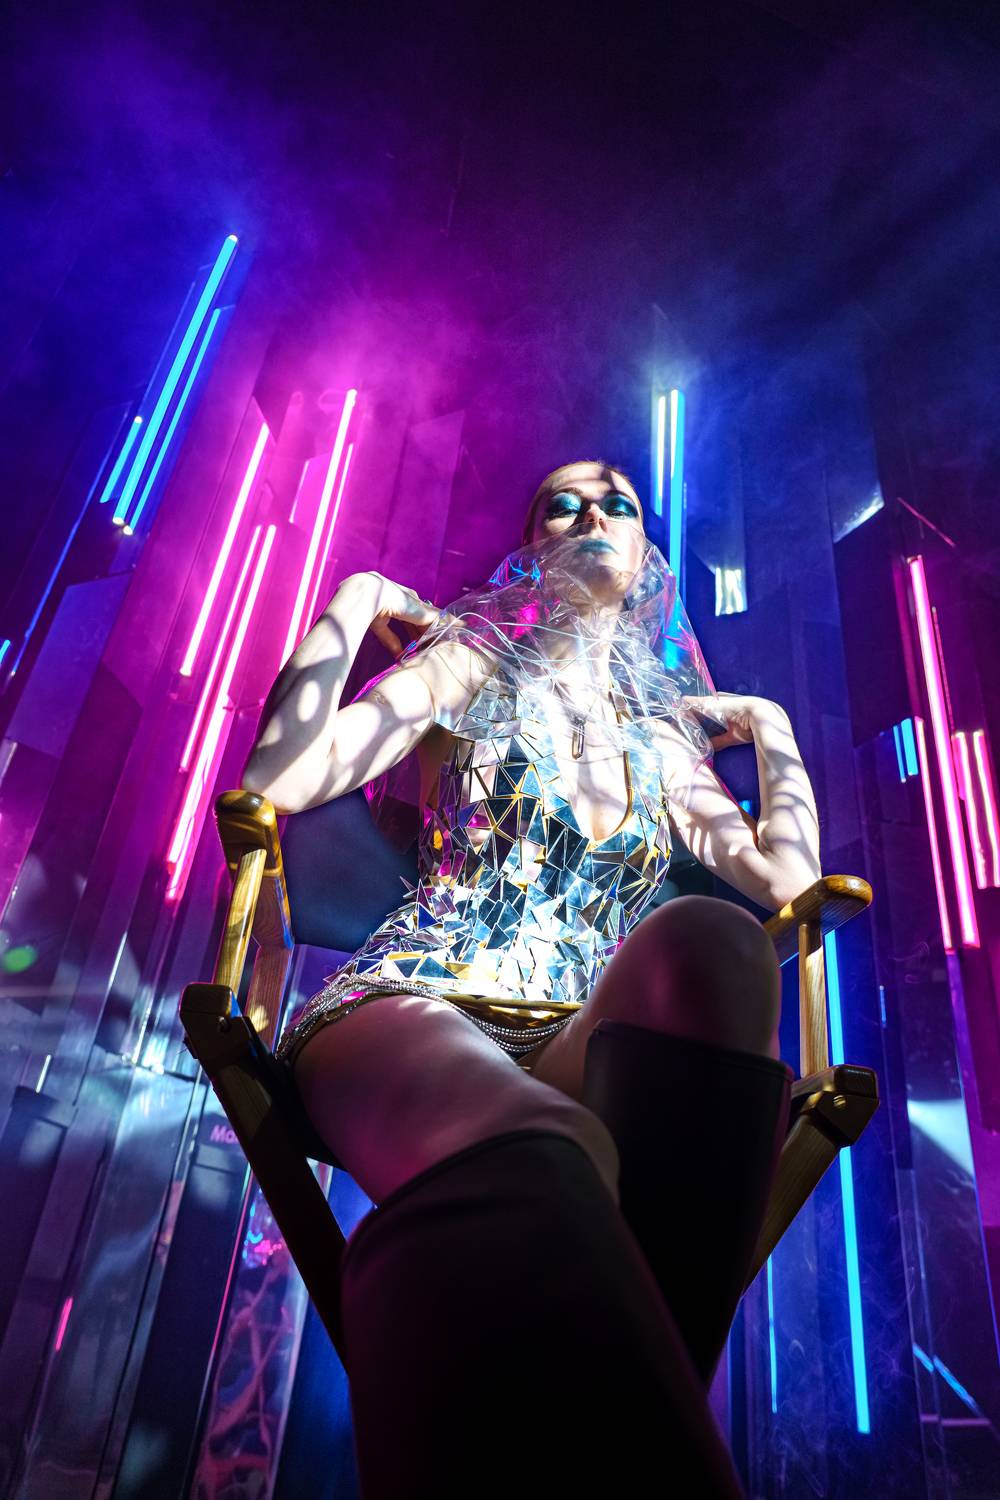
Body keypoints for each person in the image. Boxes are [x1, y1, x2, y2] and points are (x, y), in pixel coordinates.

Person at [241, 460, 821, 1498]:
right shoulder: (468, 663)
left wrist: (771, 729)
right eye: (564, 503)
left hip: (575, 1032)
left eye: (618, 504)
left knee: (720, 944)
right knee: (554, 1142)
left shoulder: (660, 740)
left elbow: (787, 885)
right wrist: (357, 599)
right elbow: (279, 777)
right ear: (533, 546)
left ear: (644, 556)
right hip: (414, 999)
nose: (593, 511)